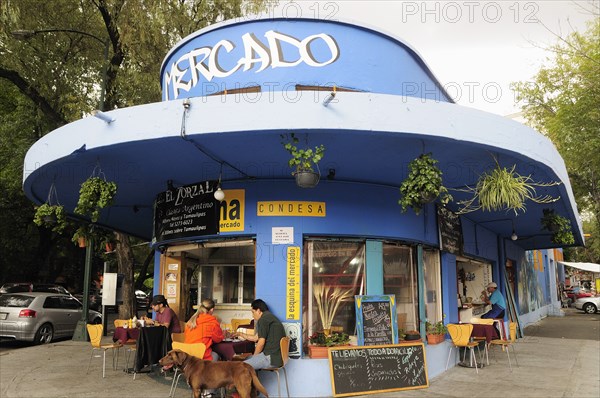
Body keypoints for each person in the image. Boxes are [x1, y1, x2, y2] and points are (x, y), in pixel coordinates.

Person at [236, 299, 286, 370]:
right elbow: (256, 338)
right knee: (247, 358)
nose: (253, 316)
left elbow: (261, 343)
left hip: (270, 358)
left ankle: (253, 381)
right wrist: (240, 334)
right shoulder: (270, 317)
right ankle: (253, 380)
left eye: (253, 312)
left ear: (259, 311)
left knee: (240, 368)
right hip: (277, 357)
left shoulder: (263, 320)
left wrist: (254, 358)